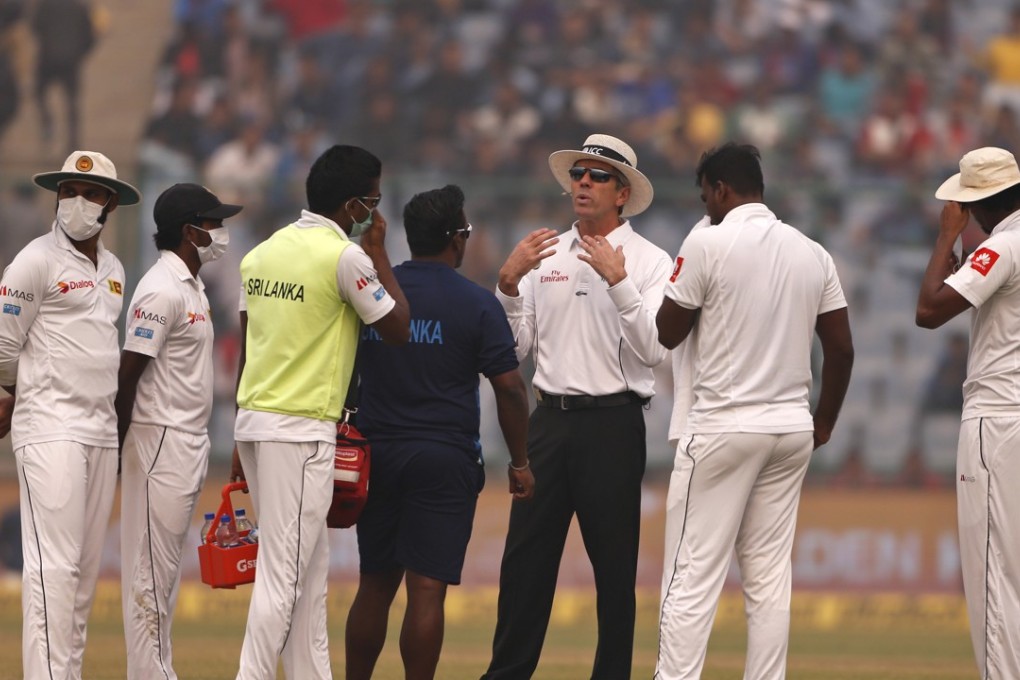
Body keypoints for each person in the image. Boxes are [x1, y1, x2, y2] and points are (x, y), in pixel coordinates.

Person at [655, 142, 854, 680]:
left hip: (723, 427)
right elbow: (841, 349)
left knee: (691, 575)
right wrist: (823, 422)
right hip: (790, 429)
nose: (706, 209)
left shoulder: (707, 242)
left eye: (706, 198)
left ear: (721, 190)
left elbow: (667, 333)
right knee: (769, 580)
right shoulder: (812, 252)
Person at [482, 133, 672, 679]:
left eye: (598, 176)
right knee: (524, 564)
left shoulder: (650, 260)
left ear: (622, 193)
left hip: (614, 423)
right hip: (548, 420)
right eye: (578, 174)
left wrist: (619, 282)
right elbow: (514, 349)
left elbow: (655, 349)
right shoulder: (545, 253)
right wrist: (508, 285)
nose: (583, 183)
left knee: (614, 570)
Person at [231, 144, 409, 680]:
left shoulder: (262, 253)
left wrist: (240, 441)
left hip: (254, 421)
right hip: (301, 427)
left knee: (308, 573)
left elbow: (248, 349)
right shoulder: (345, 257)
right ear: (354, 206)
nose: (374, 213)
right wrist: (378, 254)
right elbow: (397, 328)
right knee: (284, 575)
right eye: (372, 202)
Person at [345, 184, 535, 680]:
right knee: (426, 591)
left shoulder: (374, 294)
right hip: (443, 459)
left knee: (374, 585)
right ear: (456, 239)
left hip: (376, 454)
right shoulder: (476, 303)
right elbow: (510, 389)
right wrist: (520, 462)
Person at [0, 150, 140, 679]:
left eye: (90, 193)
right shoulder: (34, 260)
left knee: (80, 576)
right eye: (68, 192)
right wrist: (17, 393)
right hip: (49, 425)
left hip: (100, 431)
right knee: (52, 570)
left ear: (110, 204)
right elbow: (2, 343)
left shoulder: (114, 270)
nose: (77, 202)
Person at [116, 183, 241, 680]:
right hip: (160, 440)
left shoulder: (191, 286)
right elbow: (128, 375)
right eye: (214, 224)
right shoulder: (160, 289)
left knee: (163, 575)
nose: (221, 232)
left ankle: (157, 671)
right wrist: (120, 446)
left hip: (186, 440)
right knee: (150, 576)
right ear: (191, 231)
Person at [916, 145, 1020, 678]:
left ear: (978, 204)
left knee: (992, 575)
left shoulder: (1003, 245)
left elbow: (928, 309)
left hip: (998, 421)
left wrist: (946, 238)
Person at [30, 0, 96, 151]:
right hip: (70, 60)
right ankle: (73, 141)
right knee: (72, 102)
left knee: (39, 92)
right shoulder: (80, 8)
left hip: (48, 58)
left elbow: (35, 27)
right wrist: (79, 53)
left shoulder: (45, 6)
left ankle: (47, 122)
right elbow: (90, 36)